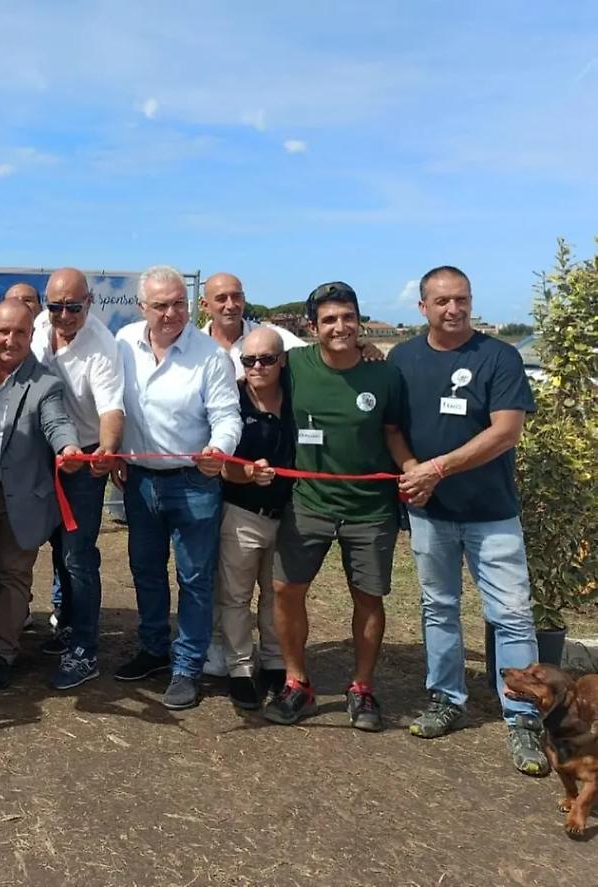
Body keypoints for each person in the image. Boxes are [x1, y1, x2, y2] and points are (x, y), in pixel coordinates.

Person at [389, 265, 547, 776]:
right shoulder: (403, 358)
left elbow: (505, 432)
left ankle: (523, 713)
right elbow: (391, 427)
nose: (453, 309)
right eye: (442, 301)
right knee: (439, 607)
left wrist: (436, 468)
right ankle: (446, 699)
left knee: (512, 615)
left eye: (462, 299)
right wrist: (413, 470)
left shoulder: (499, 357)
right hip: (430, 514)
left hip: (491, 513)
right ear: (422, 308)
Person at [263, 282, 409, 733]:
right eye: (329, 320)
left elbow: (393, 433)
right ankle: (296, 682)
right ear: (312, 327)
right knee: (287, 589)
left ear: (360, 321)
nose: (340, 327)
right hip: (309, 502)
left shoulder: (384, 374)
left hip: (370, 510)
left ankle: (362, 688)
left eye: (348, 317)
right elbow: (249, 359)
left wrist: (415, 471)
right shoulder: (296, 364)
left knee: (368, 597)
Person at [112, 265, 242, 711]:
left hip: (193, 481)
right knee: (145, 570)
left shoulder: (209, 355)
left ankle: (187, 666)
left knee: (194, 578)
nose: (171, 314)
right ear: (142, 307)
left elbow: (228, 416)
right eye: (161, 305)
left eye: (179, 304)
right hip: (140, 479)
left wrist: (217, 449)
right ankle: (153, 649)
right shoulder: (123, 343)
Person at [0, 300, 81, 692]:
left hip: (21, 497)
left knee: (13, 574)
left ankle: (4, 651)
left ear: (33, 335)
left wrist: (68, 448)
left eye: (20, 333)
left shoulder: (46, 384)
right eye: (3, 332)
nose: (10, 340)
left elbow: (57, 422)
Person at [30, 268, 124, 690]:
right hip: (39, 454)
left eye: (73, 307)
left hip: (84, 458)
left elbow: (111, 409)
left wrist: (106, 451)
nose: (64, 315)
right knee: (55, 545)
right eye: (55, 306)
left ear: (90, 303)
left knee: (77, 553)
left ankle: (84, 649)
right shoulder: (37, 325)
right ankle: (66, 623)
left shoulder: (101, 347)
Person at [197, 327, 293, 710]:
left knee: (277, 597)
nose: (257, 367)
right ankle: (239, 667)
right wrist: (248, 474)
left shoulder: (297, 396)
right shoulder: (232, 399)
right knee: (235, 597)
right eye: (249, 360)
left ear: (281, 360)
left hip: (287, 515)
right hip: (241, 513)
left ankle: (272, 662)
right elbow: (221, 466)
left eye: (267, 359)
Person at [200, 272, 305, 379]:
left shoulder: (270, 335)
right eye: (221, 299)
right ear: (205, 306)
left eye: (236, 297)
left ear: (244, 300)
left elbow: (313, 359)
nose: (230, 305)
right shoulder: (192, 345)